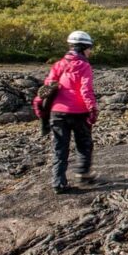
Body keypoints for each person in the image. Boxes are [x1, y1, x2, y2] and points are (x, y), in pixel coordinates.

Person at [33, 31, 99, 194]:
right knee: (84, 144)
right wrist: (93, 109)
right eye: (90, 48)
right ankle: (83, 174)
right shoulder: (84, 66)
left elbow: (47, 87)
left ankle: (58, 182)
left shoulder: (59, 64)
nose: (90, 51)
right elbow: (86, 90)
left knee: (59, 147)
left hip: (58, 112)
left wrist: (38, 104)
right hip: (79, 112)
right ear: (84, 47)